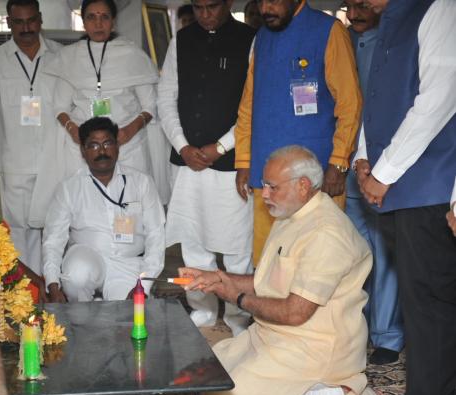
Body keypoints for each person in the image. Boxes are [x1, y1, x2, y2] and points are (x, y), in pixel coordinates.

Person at [181, 145, 377, 395]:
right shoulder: (292, 214)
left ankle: (340, 392)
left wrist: (236, 297)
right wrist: (219, 278)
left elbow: (295, 312)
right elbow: (269, 280)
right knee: (203, 375)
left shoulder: (326, 234)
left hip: (315, 346)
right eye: (264, 185)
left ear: (303, 186)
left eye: (272, 187)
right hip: (274, 334)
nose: (265, 194)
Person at [353, 0, 456, 395]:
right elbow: (376, 99)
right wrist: (363, 159)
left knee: (432, 309)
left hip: (428, 186)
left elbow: (439, 99)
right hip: (399, 188)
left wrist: (385, 171)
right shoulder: (390, 20)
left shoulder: (440, 8)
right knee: (420, 309)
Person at [234, 0, 362, 265]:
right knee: (268, 264)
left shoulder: (329, 31)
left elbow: (350, 104)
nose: (265, 9)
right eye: (261, 1)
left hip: (314, 178)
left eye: (273, 1)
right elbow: (248, 105)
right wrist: (244, 160)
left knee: (317, 262)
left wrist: (339, 163)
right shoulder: (262, 37)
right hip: (266, 176)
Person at [157, 0, 256, 336]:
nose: (204, 14)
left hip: (231, 163)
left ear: (228, 3)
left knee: (237, 247)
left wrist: (221, 147)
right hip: (187, 162)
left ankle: (238, 317)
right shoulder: (181, 40)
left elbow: (252, 106)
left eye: (212, 6)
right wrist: (182, 145)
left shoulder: (250, 39)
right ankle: (202, 312)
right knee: (193, 242)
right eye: (198, 7)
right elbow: (165, 98)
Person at [29, 0, 163, 227]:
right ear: (83, 22)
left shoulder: (133, 55)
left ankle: (130, 246)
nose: (98, 23)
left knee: (128, 206)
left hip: (126, 143)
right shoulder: (70, 57)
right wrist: (74, 130)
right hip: (83, 145)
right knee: (84, 208)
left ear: (113, 21)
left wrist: (129, 131)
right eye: (91, 17)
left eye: (104, 17)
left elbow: (150, 105)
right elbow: (60, 106)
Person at [0, 0, 62, 274]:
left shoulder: (61, 56)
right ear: (9, 23)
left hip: (56, 162)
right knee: (20, 231)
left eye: (31, 20)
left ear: (40, 20)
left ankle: (55, 284)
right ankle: (29, 289)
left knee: (56, 227)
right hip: (15, 164)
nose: (26, 28)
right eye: (19, 22)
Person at [42, 117, 165, 303]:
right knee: (77, 274)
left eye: (107, 143)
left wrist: (144, 285)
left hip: (128, 264)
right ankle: (83, 310)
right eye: (93, 145)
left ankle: (103, 303)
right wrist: (52, 284)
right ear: (83, 151)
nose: (101, 151)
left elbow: (156, 236)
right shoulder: (69, 188)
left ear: (117, 146)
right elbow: (53, 240)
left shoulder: (142, 183)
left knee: (128, 315)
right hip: (87, 259)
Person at [343, 0, 401, 366]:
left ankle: (387, 335)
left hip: (382, 169)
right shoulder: (341, 40)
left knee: (385, 255)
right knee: (352, 253)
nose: (354, 14)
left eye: (362, 5)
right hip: (344, 165)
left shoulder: (396, 39)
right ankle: (356, 328)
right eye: (348, 6)